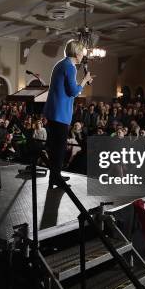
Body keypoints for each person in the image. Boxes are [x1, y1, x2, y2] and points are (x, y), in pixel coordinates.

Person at [43, 39, 93, 187]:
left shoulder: (61, 64)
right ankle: (56, 178)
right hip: (60, 113)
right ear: (77, 53)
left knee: (55, 147)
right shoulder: (70, 67)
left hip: (53, 112)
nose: (83, 55)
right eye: (82, 52)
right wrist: (84, 81)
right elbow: (73, 91)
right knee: (59, 148)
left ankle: (55, 177)